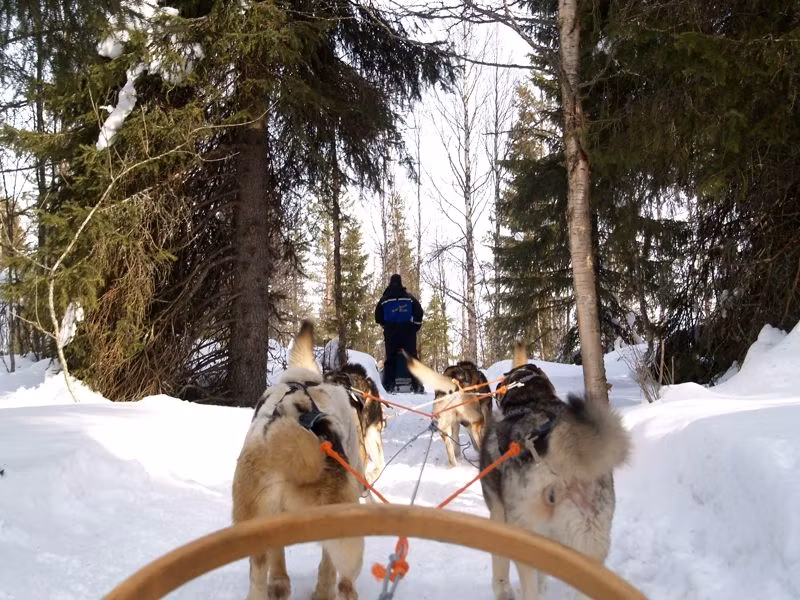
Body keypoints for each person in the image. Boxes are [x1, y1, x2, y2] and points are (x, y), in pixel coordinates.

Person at [374, 274, 424, 393]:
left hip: (391, 332)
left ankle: (389, 386)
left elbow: (377, 316)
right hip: (407, 331)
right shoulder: (409, 297)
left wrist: (385, 325)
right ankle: (417, 385)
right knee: (412, 358)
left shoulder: (384, 299)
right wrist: (415, 326)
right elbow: (419, 312)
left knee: (390, 359)